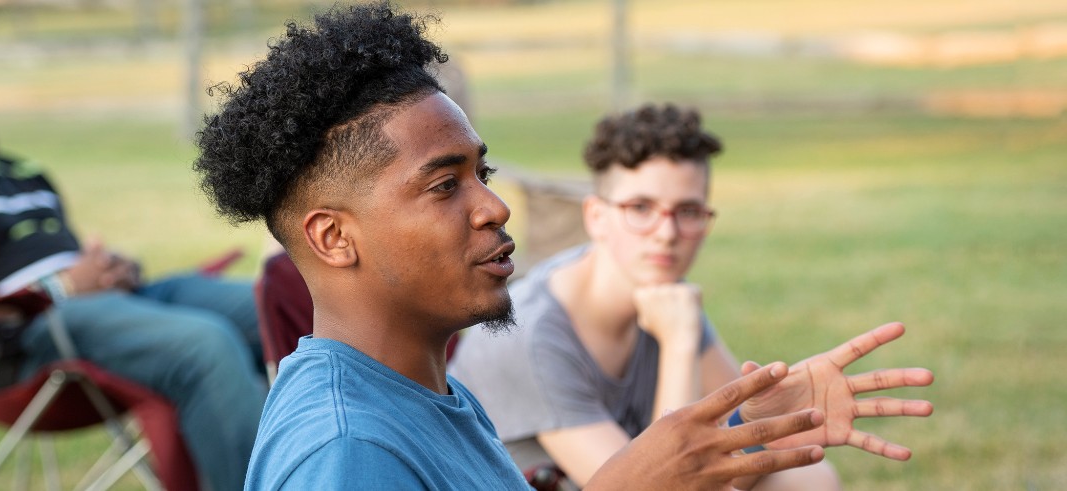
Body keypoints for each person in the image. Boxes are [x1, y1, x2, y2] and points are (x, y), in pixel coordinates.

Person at [195, 3, 933, 490]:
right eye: (444, 185)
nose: (494, 206)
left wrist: (746, 416)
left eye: (481, 174)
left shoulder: (430, 395)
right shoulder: (348, 448)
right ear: (333, 237)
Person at [0, 20, 265, 490]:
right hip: (19, 344)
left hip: (103, 306)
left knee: (274, 308)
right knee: (205, 346)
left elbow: (62, 261)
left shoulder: (19, 170)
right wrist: (59, 288)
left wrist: (110, 271)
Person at [449, 104, 915, 489]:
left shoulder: (661, 295)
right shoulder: (530, 339)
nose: (667, 233)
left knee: (807, 478)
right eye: (641, 208)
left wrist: (763, 419)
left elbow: (729, 450)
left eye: (688, 211)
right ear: (596, 217)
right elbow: (669, 484)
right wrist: (678, 343)